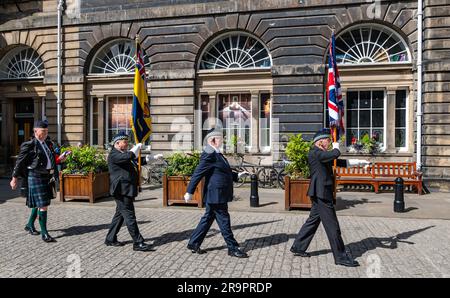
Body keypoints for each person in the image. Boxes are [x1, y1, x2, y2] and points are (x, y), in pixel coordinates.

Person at [290, 128, 369, 267]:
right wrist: (337, 146)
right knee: (333, 226)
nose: (330, 143)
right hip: (321, 193)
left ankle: (298, 246)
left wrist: (361, 162)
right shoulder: (315, 153)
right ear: (320, 142)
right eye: (328, 140)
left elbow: (339, 162)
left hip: (319, 193)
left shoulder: (322, 154)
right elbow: (335, 154)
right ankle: (340, 256)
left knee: (313, 221)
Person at [184, 128, 248, 258]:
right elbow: (198, 172)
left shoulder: (217, 153)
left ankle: (194, 242)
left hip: (217, 193)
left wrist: (237, 175)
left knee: (208, 218)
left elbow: (222, 171)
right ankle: (232, 247)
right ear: (212, 140)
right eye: (220, 138)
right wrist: (189, 191)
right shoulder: (209, 153)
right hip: (216, 194)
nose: (222, 140)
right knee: (224, 220)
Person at [10, 119, 69, 243]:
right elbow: (20, 161)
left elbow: (50, 160)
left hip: (47, 176)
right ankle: (44, 233)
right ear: (36, 131)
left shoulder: (47, 143)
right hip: (35, 176)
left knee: (40, 203)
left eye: (47, 131)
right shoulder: (30, 144)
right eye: (43, 131)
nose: (46, 133)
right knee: (43, 205)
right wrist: (14, 178)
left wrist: (60, 159)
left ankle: (30, 225)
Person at [105, 131, 158, 252]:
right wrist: (136, 147)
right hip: (121, 191)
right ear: (117, 143)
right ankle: (138, 242)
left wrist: (152, 158)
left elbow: (137, 161)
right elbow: (129, 156)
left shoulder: (123, 153)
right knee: (130, 216)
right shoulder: (114, 155)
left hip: (126, 190)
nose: (127, 143)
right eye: (125, 142)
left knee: (120, 215)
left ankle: (110, 238)